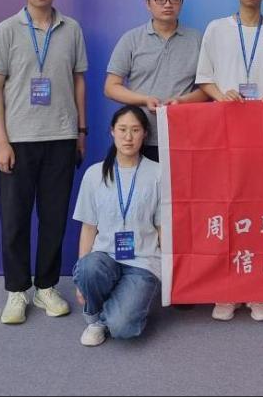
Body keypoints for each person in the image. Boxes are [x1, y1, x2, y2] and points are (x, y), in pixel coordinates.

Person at [0, 0, 88, 325]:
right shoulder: (7, 30)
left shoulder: (71, 29)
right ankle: (16, 291)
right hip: (19, 139)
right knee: (14, 219)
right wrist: (1, 141)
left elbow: (78, 81)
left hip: (61, 137)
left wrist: (81, 131)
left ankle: (46, 286)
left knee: (54, 218)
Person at [196, 0, 263, 322]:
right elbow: (205, 78)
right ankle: (228, 289)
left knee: (262, 210)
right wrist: (222, 96)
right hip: (226, 131)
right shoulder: (217, 29)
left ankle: (257, 290)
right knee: (227, 208)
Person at [72, 105, 162, 346]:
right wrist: (81, 281)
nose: (128, 137)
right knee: (89, 267)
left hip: (143, 261)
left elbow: (162, 227)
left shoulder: (158, 173)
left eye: (135, 130)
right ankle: (95, 320)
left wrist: (170, 269)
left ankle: (113, 311)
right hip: (105, 258)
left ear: (145, 134)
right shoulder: (94, 174)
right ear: (112, 131)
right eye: (122, 129)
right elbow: (88, 227)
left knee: (123, 328)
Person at [105, 0, 207, 163]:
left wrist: (181, 101)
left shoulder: (198, 39)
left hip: (183, 135)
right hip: (139, 136)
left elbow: (207, 89)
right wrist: (145, 100)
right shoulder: (131, 39)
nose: (168, 4)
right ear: (148, 3)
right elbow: (111, 87)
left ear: (181, 2)